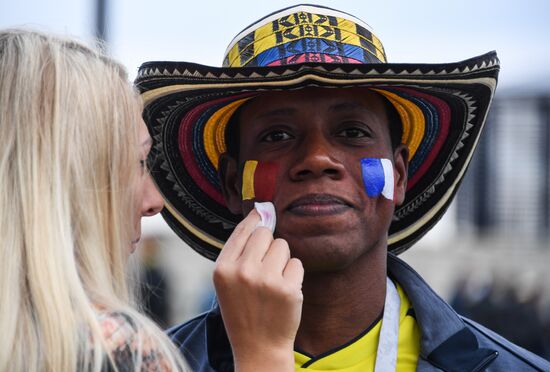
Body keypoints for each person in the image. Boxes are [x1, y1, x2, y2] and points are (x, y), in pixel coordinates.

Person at [135, 4, 550, 372]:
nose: (317, 159)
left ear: (399, 177)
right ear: (232, 183)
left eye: (352, 131)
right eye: (277, 136)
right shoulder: (151, 365)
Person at [0, 29, 301, 372]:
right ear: (58, 179)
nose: (154, 202)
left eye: (352, 132)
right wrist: (263, 354)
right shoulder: (118, 349)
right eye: (138, 163)